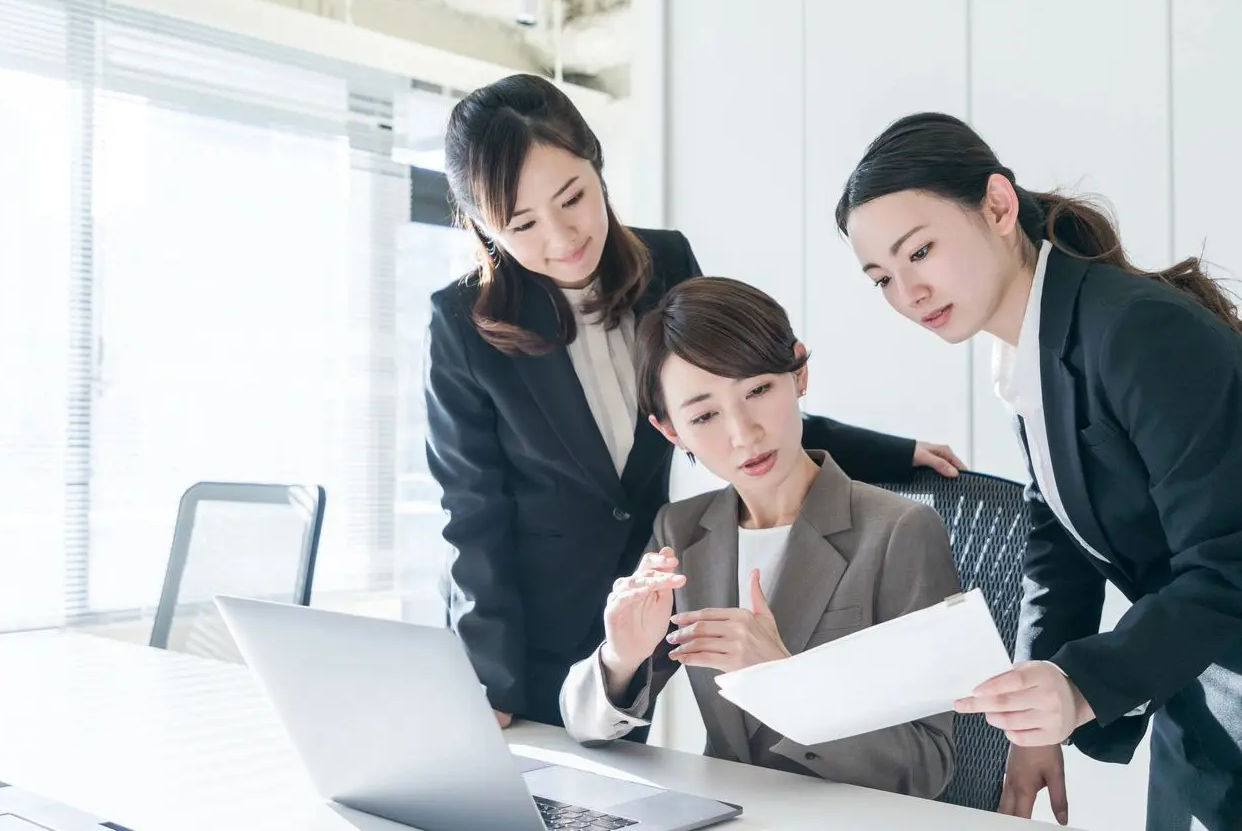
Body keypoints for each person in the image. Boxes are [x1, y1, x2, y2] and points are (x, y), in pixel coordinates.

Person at [424, 74, 965, 735]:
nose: (562, 237)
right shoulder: (462, 322)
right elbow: (470, 507)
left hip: (650, 606)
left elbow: (733, 396)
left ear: (596, 162)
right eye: (523, 224)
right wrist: (488, 677)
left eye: (573, 198)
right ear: (484, 226)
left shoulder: (665, 259)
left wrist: (895, 452)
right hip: (525, 625)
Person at [835, 111, 1242, 830]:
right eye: (882, 280)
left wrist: (1081, 686)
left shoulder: (1136, 331)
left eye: (920, 251)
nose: (909, 294)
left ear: (997, 206)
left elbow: (1231, 561)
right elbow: (1060, 535)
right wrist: (1039, 708)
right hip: (1193, 683)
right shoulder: (1029, 349)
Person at [558, 276, 960, 799]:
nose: (744, 433)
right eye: (704, 415)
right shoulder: (680, 532)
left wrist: (785, 682)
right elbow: (584, 725)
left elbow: (927, 766)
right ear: (670, 432)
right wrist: (620, 656)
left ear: (799, 373)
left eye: (758, 390)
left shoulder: (900, 532)